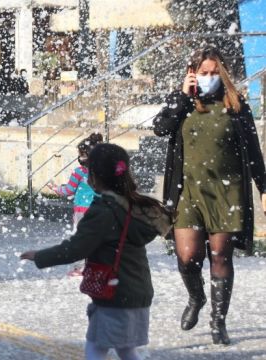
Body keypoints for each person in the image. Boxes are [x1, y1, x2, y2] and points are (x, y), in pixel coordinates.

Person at [153, 47, 266, 345]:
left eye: (215, 73)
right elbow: (160, 128)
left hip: (227, 192)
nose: (209, 78)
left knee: (220, 256)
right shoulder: (183, 104)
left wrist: (264, 187)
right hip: (188, 192)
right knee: (188, 256)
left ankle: (219, 321)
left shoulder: (237, 105)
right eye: (203, 73)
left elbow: (253, 152)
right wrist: (182, 96)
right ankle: (197, 296)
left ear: (224, 73)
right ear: (192, 74)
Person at [20, 143, 172, 360]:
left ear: (93, 176)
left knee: (96, 348)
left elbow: (76, 249)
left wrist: (40, 255)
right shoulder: (134, 205)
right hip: (138, 290)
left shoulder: (104, 211)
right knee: (125, 348)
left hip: (114, 293)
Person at [47, 133, 104, 231]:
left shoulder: (79, 172)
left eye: (81, 155)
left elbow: (69, 190)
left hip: (82, 210)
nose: (79, 158)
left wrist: (56, 188)